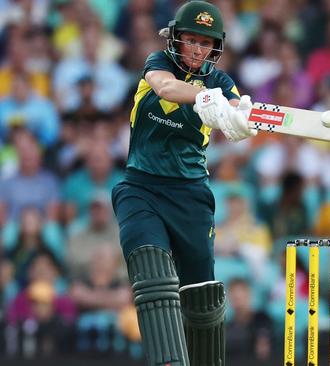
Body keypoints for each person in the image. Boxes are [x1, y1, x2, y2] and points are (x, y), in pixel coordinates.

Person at [110, 2, 257, 366]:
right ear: (175, 38)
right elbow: (165, 88)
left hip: (191, 196)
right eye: (190, 40)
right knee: (151, 266)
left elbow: (237, 108)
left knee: (201, 296)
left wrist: (240, 119)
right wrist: (204, 97)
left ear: (215, 48)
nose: (196, 49)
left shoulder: (221, 82)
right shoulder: (158, 64)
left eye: (205, 43)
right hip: (141, 187)